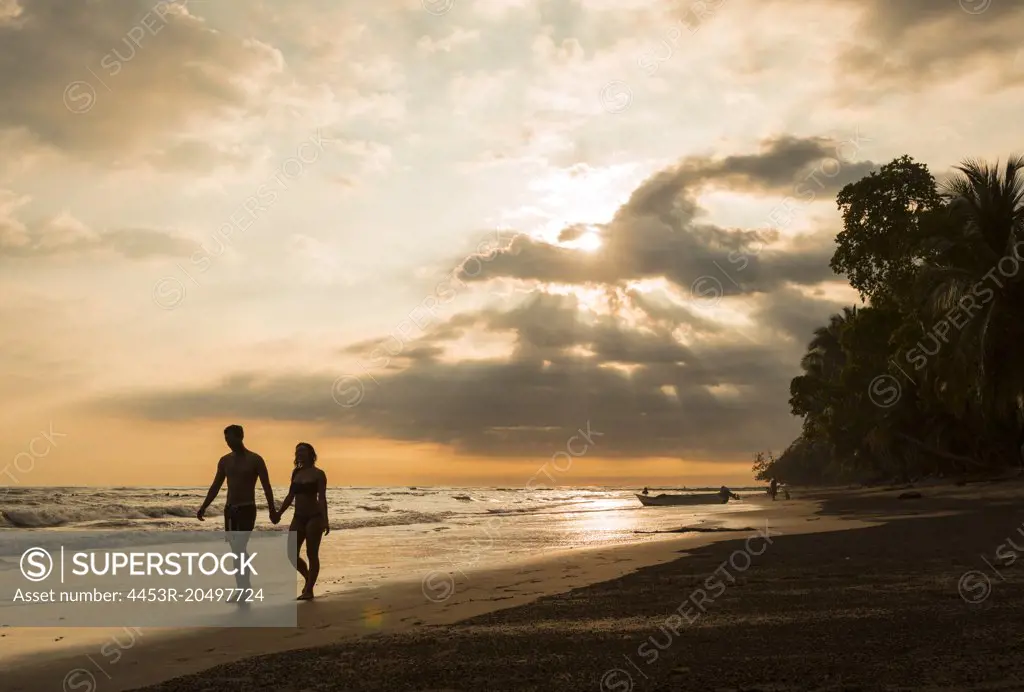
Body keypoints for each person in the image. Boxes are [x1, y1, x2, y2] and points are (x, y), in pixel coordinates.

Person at [196, 424, 277, 598]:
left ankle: (244, 589)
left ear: (240, 437)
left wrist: (272, 510)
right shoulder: (224, 461)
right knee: (236, 551)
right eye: (225, 438)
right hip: (230, 511)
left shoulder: (255, 459)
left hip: (247, 509)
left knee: (240, 548)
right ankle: (243, 587)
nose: (227, 442)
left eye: (230, 438)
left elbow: (266, 486)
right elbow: (215, 486)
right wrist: (204, 506)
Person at [274, 442, 329, 601]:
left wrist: (325, 520)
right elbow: (290, 496)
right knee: (291, 553)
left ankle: (309, 590)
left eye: (302, 451)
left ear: (311, 454)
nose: (299, 454)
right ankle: (307, 578)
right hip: (298, 517)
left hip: (314, 517)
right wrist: (279, 513)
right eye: (297, 451)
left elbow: (322, 498)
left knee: (312, 554)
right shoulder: (296, 473)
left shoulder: (319, 474)